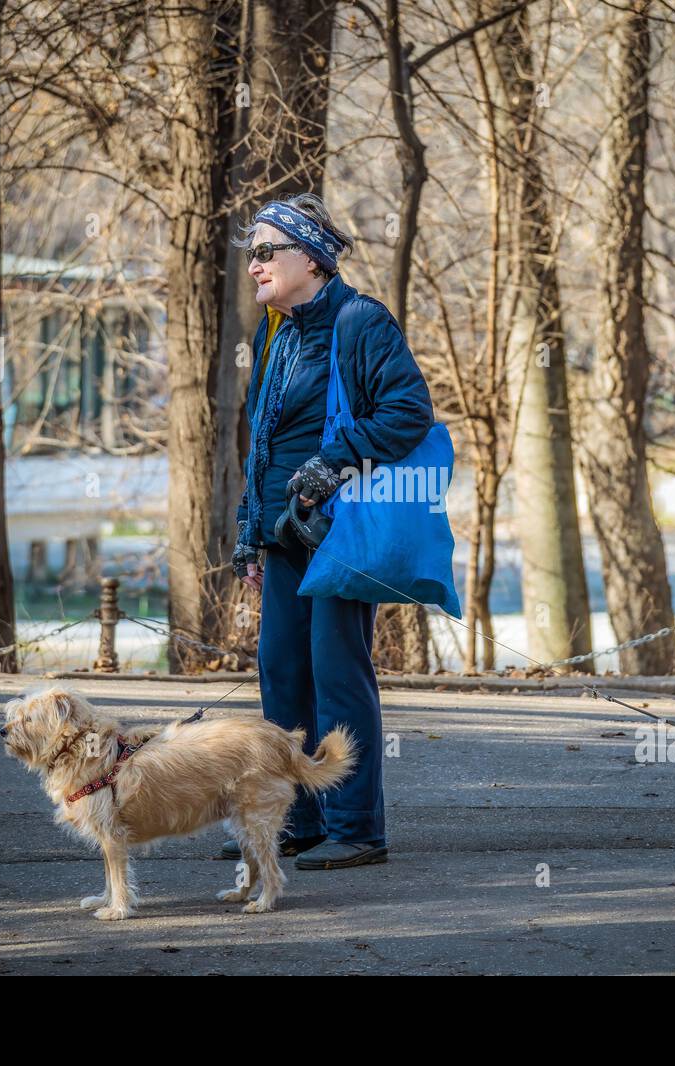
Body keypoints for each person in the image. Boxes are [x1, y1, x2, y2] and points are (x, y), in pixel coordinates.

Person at [226, 192, 434, 869]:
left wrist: (333, 462)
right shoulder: (276, 333)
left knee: (338, 675)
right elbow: (260, 441)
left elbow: (408, 412)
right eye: (249, 253)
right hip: (285, 534)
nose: (253, 264)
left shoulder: (359, 321)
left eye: (265, 251)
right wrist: (250, 531)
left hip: (339, 530)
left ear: (309, 257)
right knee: (282, 677)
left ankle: (357, 828)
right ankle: (300, 818)